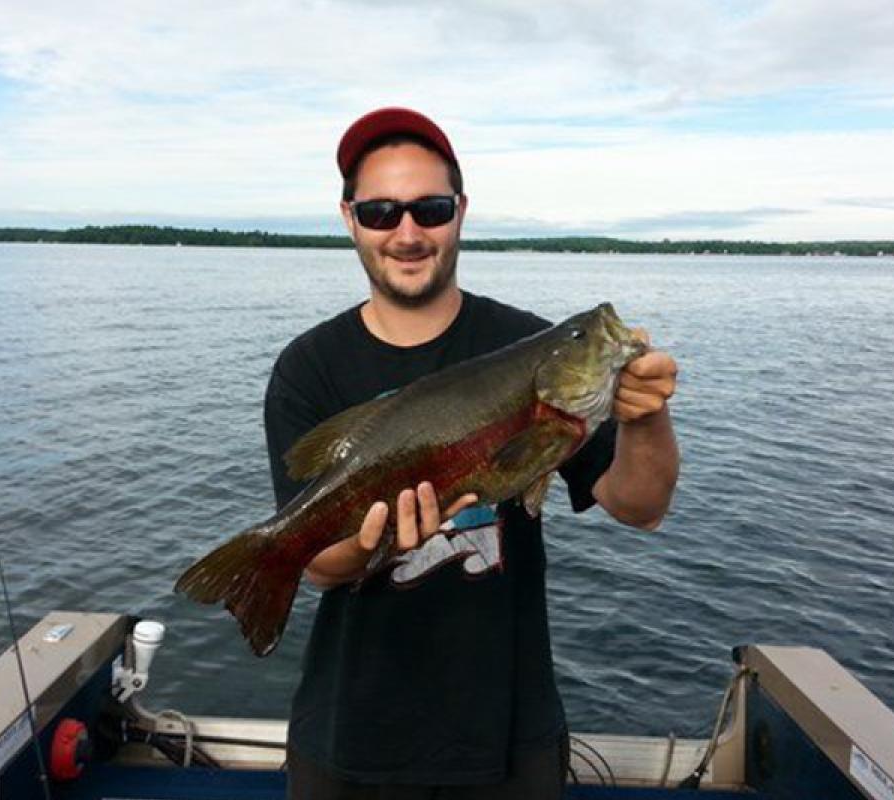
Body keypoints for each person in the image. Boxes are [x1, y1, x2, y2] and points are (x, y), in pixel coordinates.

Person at [263, 107, 680, 799]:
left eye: (428, 208)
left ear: (459, 212)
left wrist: (645, 419)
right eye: (380, 211)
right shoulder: (309, 368)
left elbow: (641, 507)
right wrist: (372, 546)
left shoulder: (532, 343)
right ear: (348, 218)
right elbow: (316, 567)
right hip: (349, 734)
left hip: (509, 738)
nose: (406, 232)